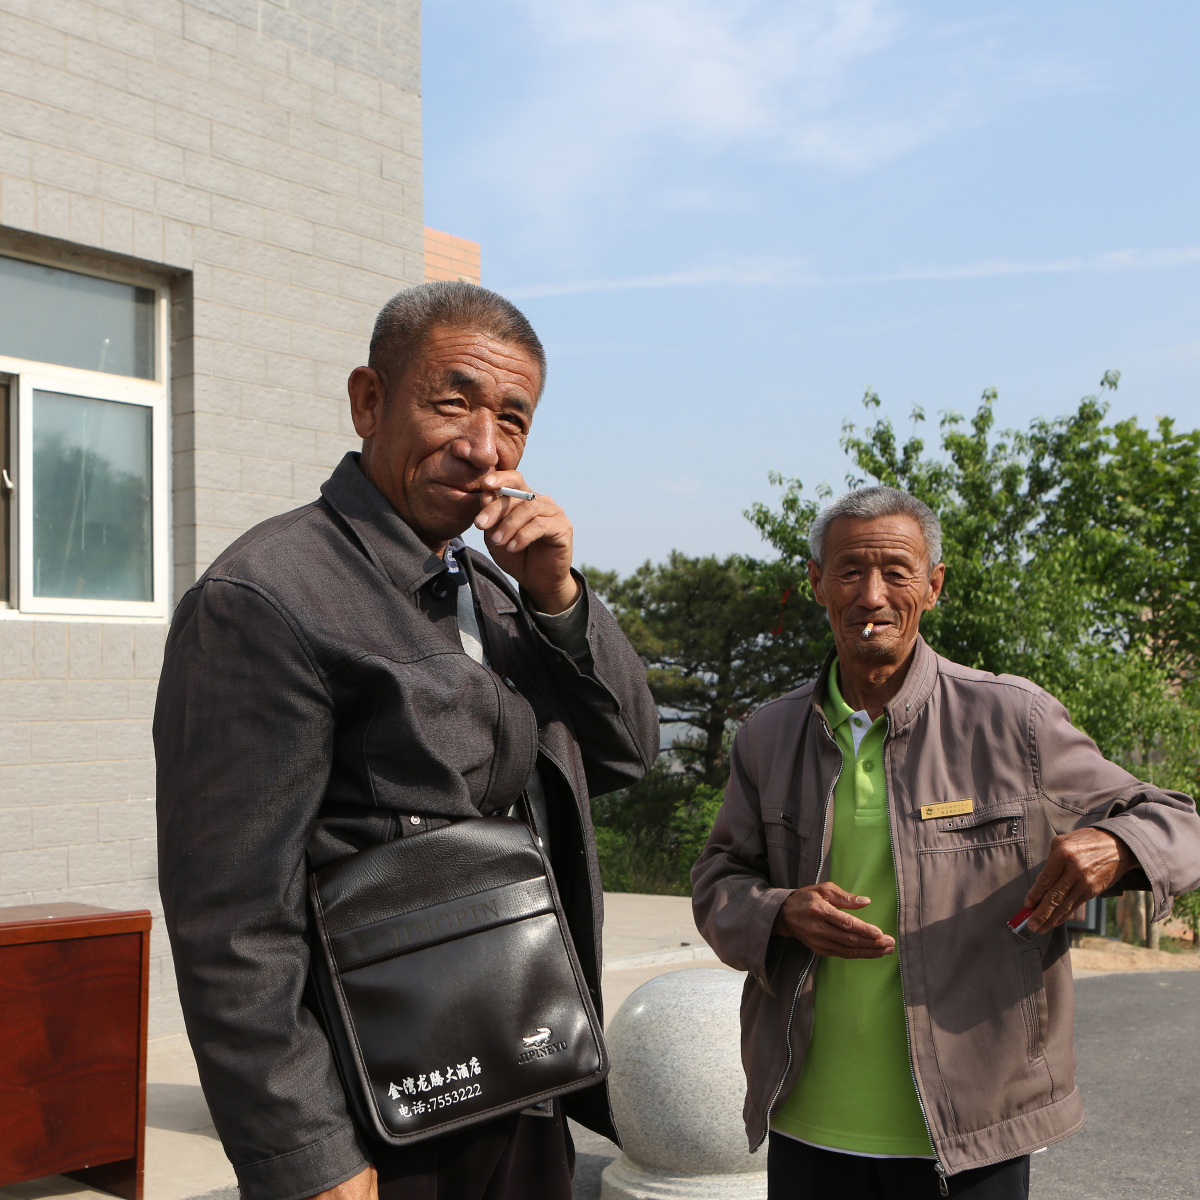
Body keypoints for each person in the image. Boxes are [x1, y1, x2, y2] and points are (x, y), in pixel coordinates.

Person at [155, 282, 658, 1200]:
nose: (484, 445)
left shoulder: (498, 590)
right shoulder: (266, 597)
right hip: (384, 1113)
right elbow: (231, 922)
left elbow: (628, 749)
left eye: (513, 419)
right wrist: (309, 1156)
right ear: (369, 402)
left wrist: (559, 599)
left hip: (521, 1073)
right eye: (453, 402)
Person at [691, 486, 1200, 1200]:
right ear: (816, 584)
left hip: (971, 1132)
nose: (872, 595)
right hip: (806, 1118)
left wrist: (1115, 844)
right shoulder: (768, 735)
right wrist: (778, 913)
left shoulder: (1012, 720)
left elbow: (1179, 821)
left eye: (896, 573)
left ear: (933, 587)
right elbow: (718, 879)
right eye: (849, 571)